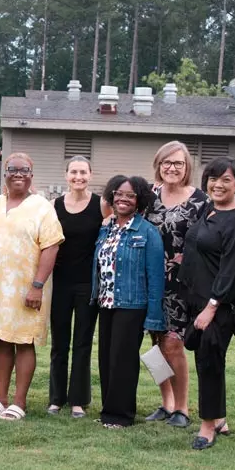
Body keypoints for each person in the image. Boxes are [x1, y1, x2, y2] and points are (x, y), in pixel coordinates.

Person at [0, 153, 63, 421]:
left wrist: (37, 285)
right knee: (2, 340)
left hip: (28, 286)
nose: (18, 174)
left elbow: (51, 246)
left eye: (24, 170)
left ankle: (19, 402)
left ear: (31, 175)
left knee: (24, 341)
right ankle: (0, 398)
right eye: (12, 169)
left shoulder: (42, 207)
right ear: (4, 173)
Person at [178, 157, 235, 450]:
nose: (218, 184)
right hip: (196, 298)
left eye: (226, 180)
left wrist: (211, 306)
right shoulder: (210, 209)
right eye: (213, 178)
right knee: (205, 359)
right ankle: (219, 417)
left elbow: (233, 269)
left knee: (210, 359)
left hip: (219, 305)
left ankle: (208, 425)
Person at [93, 175, 165, 428]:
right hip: (107, 303)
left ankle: (121, 415)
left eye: (130, 195)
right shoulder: (107, 228)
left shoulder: (147, 233)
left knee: (123, 361)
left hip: (132, 305)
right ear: (112, 196)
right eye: (119, 194)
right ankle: (108, 410)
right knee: (106, 359)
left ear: (140, 200)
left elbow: (156, 277)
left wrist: (154, 316)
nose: (123, 199)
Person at [145, 141, 208, 428]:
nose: (172, 168)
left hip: (184, 284)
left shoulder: (200, 200)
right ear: (158, 165)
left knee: (173, 344)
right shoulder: (148, 195)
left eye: (178, 164)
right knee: (155, 344)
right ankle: (166, 401)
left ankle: (182, 407)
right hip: (150, 280)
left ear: (187, 168)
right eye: (166, 163)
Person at [48, 156, 111, 418]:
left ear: (90, 175)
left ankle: (78, 400)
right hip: (60, 283)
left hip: (88, 284)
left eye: (83, 172)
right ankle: (56, 398)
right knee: (59, 342)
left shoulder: (101, 205)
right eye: (73, 172)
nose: (78, 177)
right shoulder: (54, 206)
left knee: (82, 342)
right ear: (66, 176)